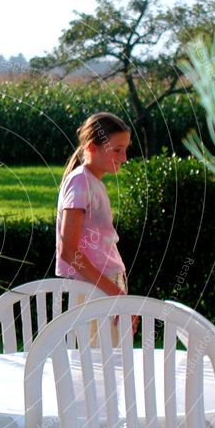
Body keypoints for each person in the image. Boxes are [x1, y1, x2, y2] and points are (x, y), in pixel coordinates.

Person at [56, 112, 130, 296]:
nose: (124, 158)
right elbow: (69, 251)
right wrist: (114, 292)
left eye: (125, 149)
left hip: (104, 285)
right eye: (117, 150)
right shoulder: (81, 181)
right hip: (93, 290)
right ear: (91, 147)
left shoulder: (93, 182)